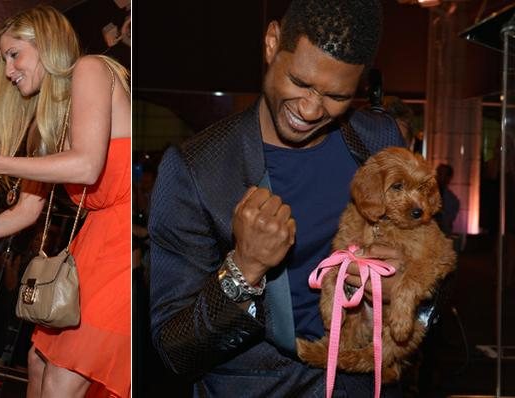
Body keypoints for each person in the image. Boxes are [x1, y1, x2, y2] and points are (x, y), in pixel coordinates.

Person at [147, 1, 425, 396]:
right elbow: (174, 350)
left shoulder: (379, 142)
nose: (311, 110)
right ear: (272, 42)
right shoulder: (197, 170)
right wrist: (243, 270)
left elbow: (436, 267)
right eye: (300, 82)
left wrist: (409, 282)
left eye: (336, 96)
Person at [0, 6, 130, 397]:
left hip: (121, 249)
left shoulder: (89, 69)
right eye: (4, 58)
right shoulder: (51, 119)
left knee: (60, 379)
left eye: (14, 53)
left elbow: (88, 166)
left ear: (47, 45)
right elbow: (25, 211)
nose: (8, 70)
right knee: (38, 364)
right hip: (91, 247)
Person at [434, 163, 460, 236]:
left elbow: (448, 222)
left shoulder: (453, 200)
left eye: (442, 174)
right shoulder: (424, 193)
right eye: (438, 173)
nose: (438, 176)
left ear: (449, 178)